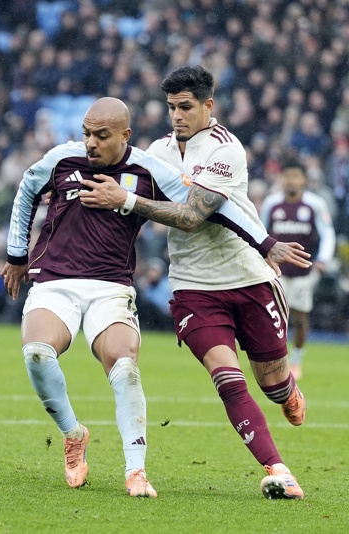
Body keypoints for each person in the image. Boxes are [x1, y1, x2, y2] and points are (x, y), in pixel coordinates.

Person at [1, 96, 287, 498]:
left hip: (111, 288)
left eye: (101, 135)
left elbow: (207, 206)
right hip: (54, 282)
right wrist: (16, 256)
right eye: (87, 134)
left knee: (125, 368)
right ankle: (73, 434)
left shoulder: (148, 169)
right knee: (36, 352)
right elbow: (26, 190)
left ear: (125, 135)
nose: (91, 143)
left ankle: (135, 471)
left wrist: (265, 243)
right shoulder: (62, 159)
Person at [79, 66, 311, 499]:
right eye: (171, 107)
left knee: (273, 384)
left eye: (185, 107)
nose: (177, 116)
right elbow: (127, 197)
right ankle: (279, 470)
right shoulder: (158, 152)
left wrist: (126, 198)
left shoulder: (226, 149)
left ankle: (287, 393)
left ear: (208, 105)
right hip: (193, 288)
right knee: (227, 379)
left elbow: (191, 216)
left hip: (248, 279)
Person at [260, 160, 336, 380]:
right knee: (274, 317)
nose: (291, 181)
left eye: (296, 176)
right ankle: (276, 359)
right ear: (281, 178)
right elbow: (261, 230)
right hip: (277, 271)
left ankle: (296, 360)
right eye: (287, 176)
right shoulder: (271, 203)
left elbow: (327, 233)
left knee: (300, 318)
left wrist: (323, 259)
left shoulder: (315, 204)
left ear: (303, 179)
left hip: (304, 272)